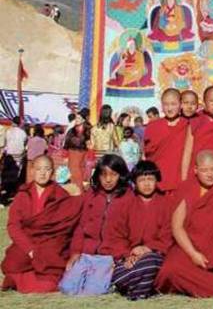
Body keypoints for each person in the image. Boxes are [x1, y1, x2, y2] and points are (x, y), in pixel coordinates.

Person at [155, 150, 213, 297]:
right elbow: (177, 227)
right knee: (170, 270)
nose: (210, 174)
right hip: (189, 249)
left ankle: (199, 287)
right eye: (204, 170)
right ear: (195, 170)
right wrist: (193, 254)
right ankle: (200, 286)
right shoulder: (186, 187)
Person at [2, 155, 80, 293]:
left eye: (47, 169)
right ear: (32, 170)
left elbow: (68, 227)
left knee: (49, 283)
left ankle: (17, 280)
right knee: (11, 264)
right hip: (28, 241)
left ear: (53, 172)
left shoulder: (60, 195)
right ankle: (20, 277)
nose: (42, 173)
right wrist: (30, 249)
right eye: (38, 169)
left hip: (51, 243)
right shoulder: (23, 194)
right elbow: (13, 226)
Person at [60, 154, 134, 295]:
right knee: (67, 288)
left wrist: (123, 255)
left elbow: (133, 231)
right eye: (103, 174)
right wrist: (75, 252)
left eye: (113, 174)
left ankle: (110, 281)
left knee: (92, 292)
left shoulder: (129, 198)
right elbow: (81, 226)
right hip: (87, 252)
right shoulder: (91, 195)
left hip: (110, 255)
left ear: (121, 175)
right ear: (98, 176)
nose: (108, 180)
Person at [100, 161, 172, 300]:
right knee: (119, 272)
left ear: (157, 180)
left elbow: (169, 235)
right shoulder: (124, 203)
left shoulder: (167, 203)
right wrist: (128, 254)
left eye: (150, 179)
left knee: (151, 264)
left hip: (155, 256)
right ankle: (142, 287)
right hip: (128, 259)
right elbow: (114, 236)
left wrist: (148, 248)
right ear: (134, 182)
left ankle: (136, 292)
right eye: (142, 180)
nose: (146, 184)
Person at [144, 88, 188, 192]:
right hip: (157, 180)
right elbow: (146, 154)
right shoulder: (153, 126)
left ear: (181, 104)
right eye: (166, 104)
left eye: (173, 104)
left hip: (179, 180)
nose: (169, 108)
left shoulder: (187, 125)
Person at [63, 112, 90, 191]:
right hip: (73, 153)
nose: (76, 120)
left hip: (84, 153)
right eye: (76, 118)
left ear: (83, 120)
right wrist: (65, 156)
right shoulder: (71, 131)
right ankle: (76, 192)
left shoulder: (88, 130)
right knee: (74, 173)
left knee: (82, 172)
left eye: (79, 118)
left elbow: (90, 143)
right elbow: (66, 143)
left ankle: (80, 192)